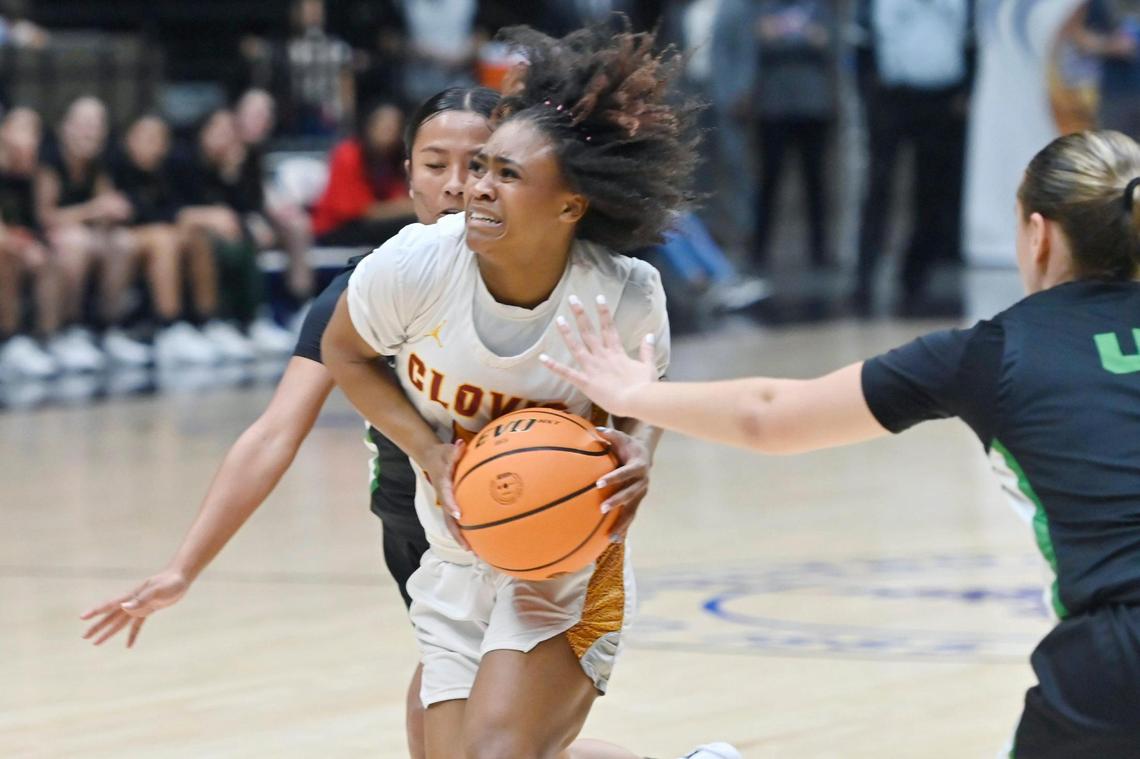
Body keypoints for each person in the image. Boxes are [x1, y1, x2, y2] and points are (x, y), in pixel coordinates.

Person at [543, 130, 1140, 758]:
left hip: (1115, 661)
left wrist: (635, 394)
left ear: (1038, 234)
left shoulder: (996, 352)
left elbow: (770, 416)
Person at [322, 22, 737, 759]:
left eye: (506, 174)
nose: (475, 186)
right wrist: (428, 450)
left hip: (567, 560)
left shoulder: (623, 294)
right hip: (455, 555)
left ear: (570, 204)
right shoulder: (417, 263)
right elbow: (344, 352)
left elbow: (646, 400)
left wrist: (639, 453)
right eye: (481, 166)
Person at [81, 87, 494, 759]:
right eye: (434, 163)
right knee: (454, 741)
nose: (454, 185)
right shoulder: (365, 288)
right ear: (407, 172)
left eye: (477, 164)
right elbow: (276, 430)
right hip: (418, 526)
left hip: (519, 514)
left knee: (477, 738)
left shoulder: (549, 273)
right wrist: (185, 566)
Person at [35, 96, 151, 368]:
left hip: (87, 234)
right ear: (66, 127)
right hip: (51, 235)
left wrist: (113, 210)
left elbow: (106, 205)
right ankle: (68, 329)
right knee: (76, 242)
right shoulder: (50, 158)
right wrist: (94, 209)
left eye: (97, 124)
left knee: (123, 242)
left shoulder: (101, 163)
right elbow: (45, 216)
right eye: (84, 123)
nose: (90, 130)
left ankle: (109, 328)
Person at [113, 114, 219, 366]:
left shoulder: (170, 168)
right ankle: (168, 326)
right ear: (129, 140)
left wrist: (187, 218)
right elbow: (133, 211)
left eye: (159, 139)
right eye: (146, 137)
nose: (154, 144)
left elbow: (179, 207)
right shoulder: (116, 166)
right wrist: (183, 216)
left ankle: (207, 322)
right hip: (125, 235)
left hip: (157, 231)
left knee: (195, 236)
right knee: (164, 239)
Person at [0, 106, 63, 378]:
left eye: (35, 132)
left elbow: (41, 221)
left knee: (57, 251)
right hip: (7, 246)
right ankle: (11, 340)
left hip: (20, 242)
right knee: (6, 253)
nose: (30, 138)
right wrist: (24, 246)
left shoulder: (36, 172)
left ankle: (49, 339)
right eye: (23, 130)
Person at [310, 99, 417, 247]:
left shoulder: (393, 159)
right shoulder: (347, 154)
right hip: (336, 228)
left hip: (371, 225)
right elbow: (360, 211)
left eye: (394, 127)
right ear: (369, 126)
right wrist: (410, 206)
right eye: (384, 126)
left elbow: (398, 199)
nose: (389, 131)